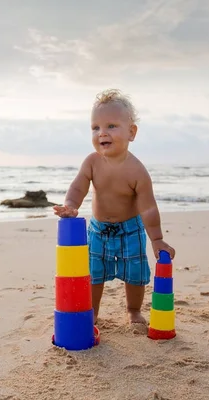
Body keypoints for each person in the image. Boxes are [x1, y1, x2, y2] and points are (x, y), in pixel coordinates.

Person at [53, 88, 175, 326]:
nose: (102, 133)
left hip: (130, 230)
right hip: (98, 231)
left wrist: (157, 239)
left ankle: (132, 310)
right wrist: (70, 205)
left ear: (131, 132)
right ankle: (93, 312)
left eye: (111, 126)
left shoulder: (137, 171)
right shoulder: (91, 162)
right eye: (95, 127)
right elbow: (78, 188)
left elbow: (148, 209)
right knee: (93, 274)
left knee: (135, 274)